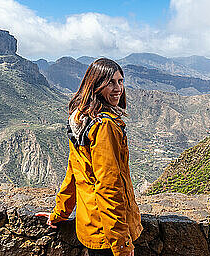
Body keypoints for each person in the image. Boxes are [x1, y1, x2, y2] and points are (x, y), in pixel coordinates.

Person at [36, 58, 143, 256]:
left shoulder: (81, 119)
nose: (118, 88)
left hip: (91, 227)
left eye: (120, 81)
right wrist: (121, 244)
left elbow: (74, 173)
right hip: (109, 235)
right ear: (96, 85)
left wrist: (59, 213)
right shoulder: (105, 126)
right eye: (110, 82)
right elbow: (109, 186)